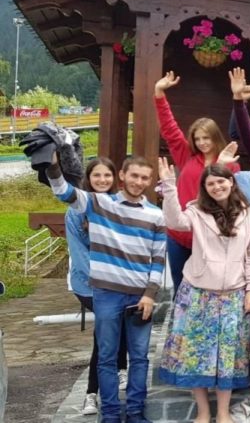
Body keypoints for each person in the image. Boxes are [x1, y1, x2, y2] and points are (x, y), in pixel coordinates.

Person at [47, 154, 166, 423]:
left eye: (145, 178)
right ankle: (110, 414)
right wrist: (53, 166)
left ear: (150, 181)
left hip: (139, 296)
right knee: (107, 358)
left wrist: (150, 295)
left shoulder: (156, 215)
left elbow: (158, 259)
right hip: (106, 294)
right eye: (134, 175)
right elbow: (63, 192)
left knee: (140, 358)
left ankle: (136, 412)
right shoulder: (98, 203)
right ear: (122, 175)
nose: (138, 182)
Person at [158, 160, 250, 423]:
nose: (217, 187)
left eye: (221, 181)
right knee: (195, 354)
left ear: (231, 182)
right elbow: (174, 221)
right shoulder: (196, 211)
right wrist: (169, 186)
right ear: (204, 187)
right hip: (198, 293)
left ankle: (223, 412)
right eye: (210, 183)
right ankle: (203, 411)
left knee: (228, 355)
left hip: (234, 294)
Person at [154, 71, 240, 294]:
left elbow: (232, 201)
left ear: (215, 137)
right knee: (180, 290)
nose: (202, 143)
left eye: (206, 138)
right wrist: (159, 94)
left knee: (206, 291)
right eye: (197, 138)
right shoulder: (187, 156)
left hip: (210, 238)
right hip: (179, 235)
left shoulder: (230, 164)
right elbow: (170, 129)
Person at [65, 158, 129, 415]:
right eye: (97, 175)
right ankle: (91, 393)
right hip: (89, 284)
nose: (102, 180)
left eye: (107, 175)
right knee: (105, 332)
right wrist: (106, 281)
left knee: (119, 322)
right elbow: (79, 255)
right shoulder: (76, 211)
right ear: (88, 179)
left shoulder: (120, 206)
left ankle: (120, 369)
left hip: (120, 280)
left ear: (115, 178)